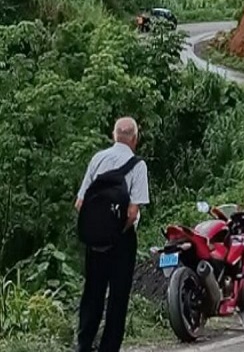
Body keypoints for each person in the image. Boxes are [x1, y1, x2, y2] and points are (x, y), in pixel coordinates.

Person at [75, 117, 150, 352]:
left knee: (92, 293)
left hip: (94, 241)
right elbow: (132, 211)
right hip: (121, 242)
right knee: (118, 298)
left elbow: (80, 203)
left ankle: (84, 345)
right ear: (135, 140)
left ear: (113, 135)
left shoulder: (98, 159)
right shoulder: (138, 166)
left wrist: (97, 229)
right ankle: (109, 348)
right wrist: (118, 233)